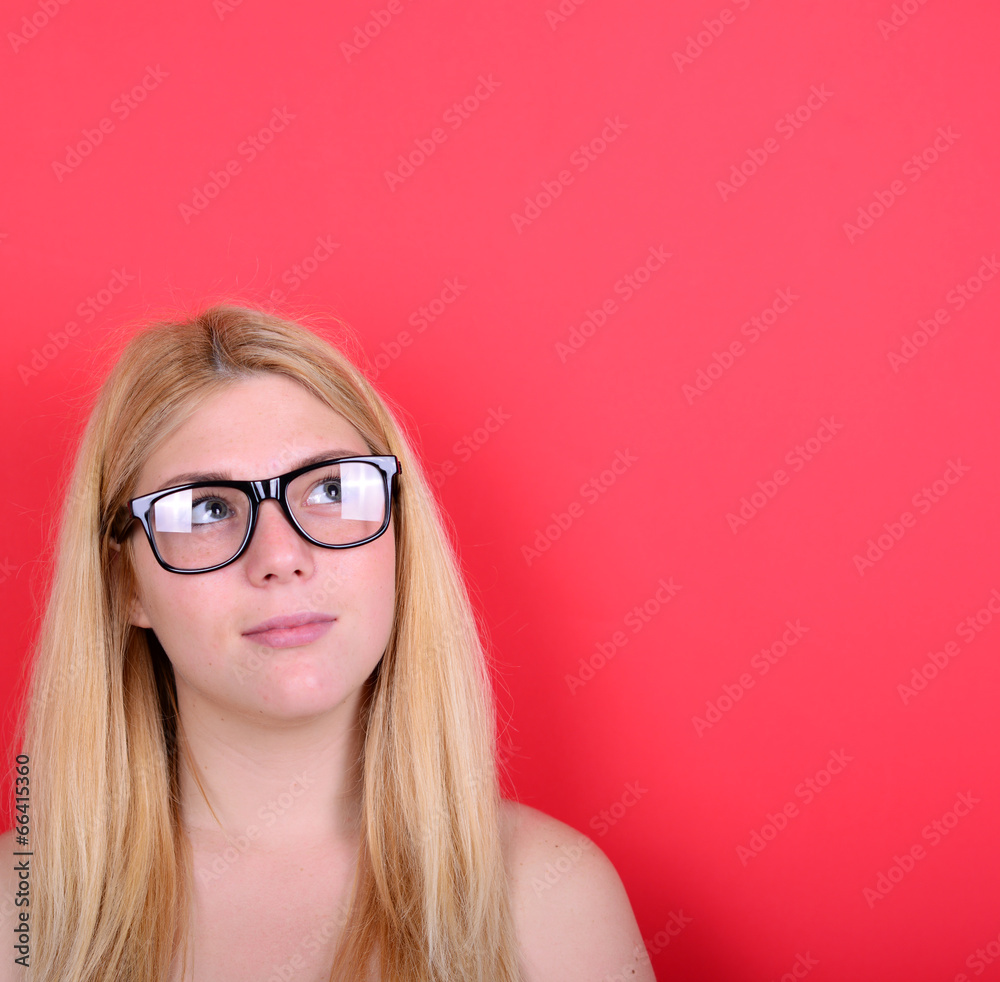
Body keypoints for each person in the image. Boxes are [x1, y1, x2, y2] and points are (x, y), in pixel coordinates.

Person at [1, 305, 655, 982]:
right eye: (206, 508)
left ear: (401, 538)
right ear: (124, 586)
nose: (281, 556)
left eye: (332, 488)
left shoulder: (553, 901)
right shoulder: (14, 916)